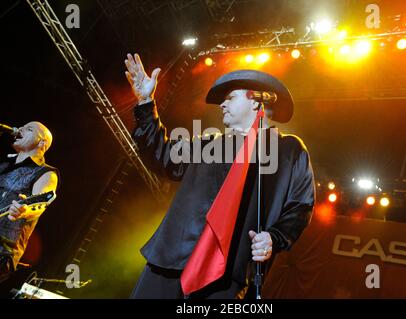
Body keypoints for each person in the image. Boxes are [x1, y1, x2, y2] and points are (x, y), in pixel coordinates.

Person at [125, 53, 315, 299]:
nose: (222, 105)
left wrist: (274, 237)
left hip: (224, 274)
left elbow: (300, 206)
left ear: (256, 101)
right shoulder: (210, 143)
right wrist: (145, 104)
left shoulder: (288, 150)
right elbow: (164, 156)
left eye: (230, 97)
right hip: (170, 262)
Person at [0, 122, 58, 285]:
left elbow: (40, 203)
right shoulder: (4, 164)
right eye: (21, 127)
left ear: (42, 143)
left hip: (3, 250)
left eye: (29, 129)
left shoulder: (46, 173)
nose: (20, 130)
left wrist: (24, 210)